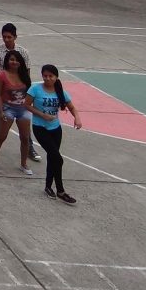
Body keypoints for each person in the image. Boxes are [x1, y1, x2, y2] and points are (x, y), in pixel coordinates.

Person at [26, 64, 83, 204]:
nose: (47, 78)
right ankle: (61, 191)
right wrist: (42, 115)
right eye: (45, 76)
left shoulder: (60, 91)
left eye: (50, 76)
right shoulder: (35, 89)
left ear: (56, 77)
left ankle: (48, 186)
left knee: (53, 157)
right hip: (40, 128)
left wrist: (77, 117)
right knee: (58, 159)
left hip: (55, 129)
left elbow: (72, 107)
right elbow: (26, 105)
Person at [0, 23, 40, 161]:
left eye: (9, 37)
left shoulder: (23, 52)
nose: (6, 39)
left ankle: (30, 148)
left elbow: (27, 74)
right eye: (4, 37)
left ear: (15, 37)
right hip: (1, 87)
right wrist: (1, 84)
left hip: (19, 90)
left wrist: (24, 89)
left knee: (24, 118)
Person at [0, 49, 34, 175]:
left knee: (25, 138)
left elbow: (29, 93)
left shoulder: (24, 75)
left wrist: (31, 107)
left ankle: (23, 164)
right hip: (8, 109)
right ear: (7, 61)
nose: (14, 62)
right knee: (2, 136)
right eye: (12, 59)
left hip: (23, 110)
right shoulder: (2, 75)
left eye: (17, 60)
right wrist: (1, 111)